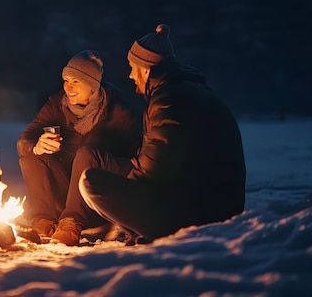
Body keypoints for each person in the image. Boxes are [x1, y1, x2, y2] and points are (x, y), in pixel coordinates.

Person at [55, 24, 246, 246]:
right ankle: (78, 222)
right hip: (196, 195)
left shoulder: (168, 102)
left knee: (92, 184)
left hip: (199, 210)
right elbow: (162, 161)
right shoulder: (181, 92)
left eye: (132, 67)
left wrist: (122, 204)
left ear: (145, 69)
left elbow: (153, 174)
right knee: (91, 157)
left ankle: (137, 227)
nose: (129, 75)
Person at [16, 50, 142, 243]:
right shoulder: (56, 105)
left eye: (76, 81)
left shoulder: (119, 113)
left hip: (97, 202)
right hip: (64, 198)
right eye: (66, 80)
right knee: (32, 155)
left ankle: (71, 225)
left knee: (86, 155)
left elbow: (138, 165)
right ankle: (43, 222)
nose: (68, 87)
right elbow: (24, 142)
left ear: (92, 84)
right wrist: (37, 146)